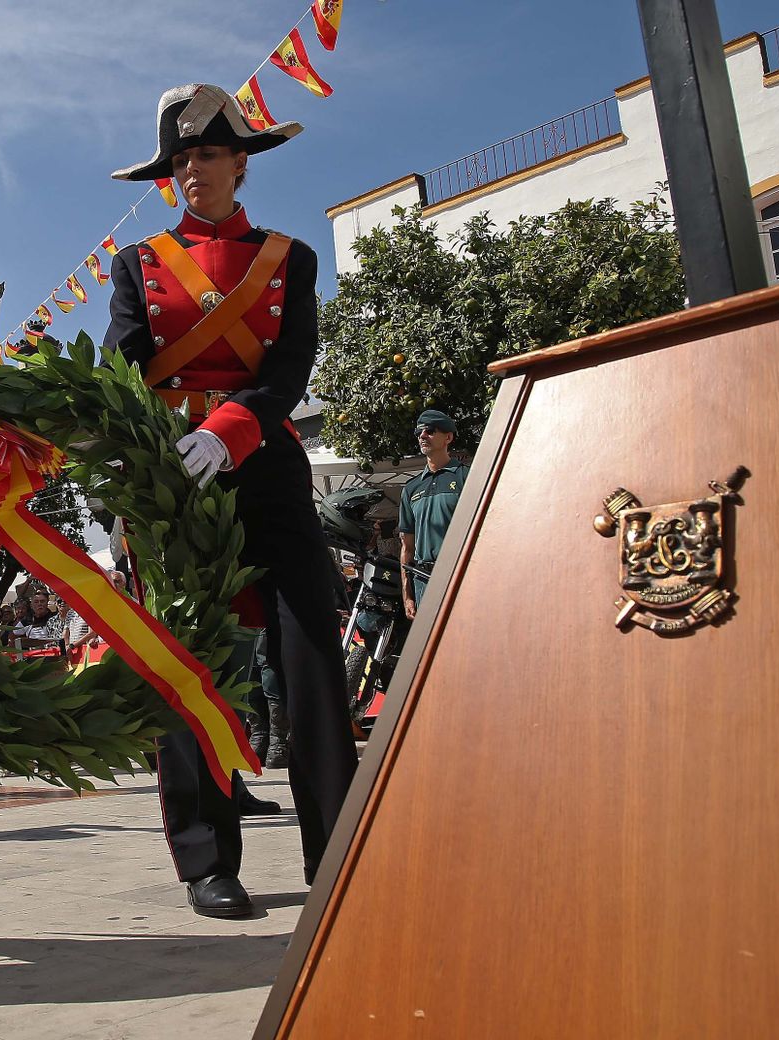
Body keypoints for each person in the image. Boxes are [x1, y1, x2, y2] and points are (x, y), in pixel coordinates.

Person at [103, 84, 358, 918]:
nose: (192, 172)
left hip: (263, 460)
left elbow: (291, 367)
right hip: (178, 473)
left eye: (206, 155)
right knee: (192, 659)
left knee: (312, 649)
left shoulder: (290, 258)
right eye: (179, 161)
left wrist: (234, 426)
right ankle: (208, 857)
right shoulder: (139, 264)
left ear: (241, 164)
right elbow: (122, 364)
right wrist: (133, 460)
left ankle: (340, 850)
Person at [398, 408, 470, 616]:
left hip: (460, 578)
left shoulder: (467, 477)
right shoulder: (411, 488)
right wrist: (407, 594)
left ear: (448, 437)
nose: (422, 435)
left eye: (429, 430)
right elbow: (407, 546)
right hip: (423, 581)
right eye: (419, 432)